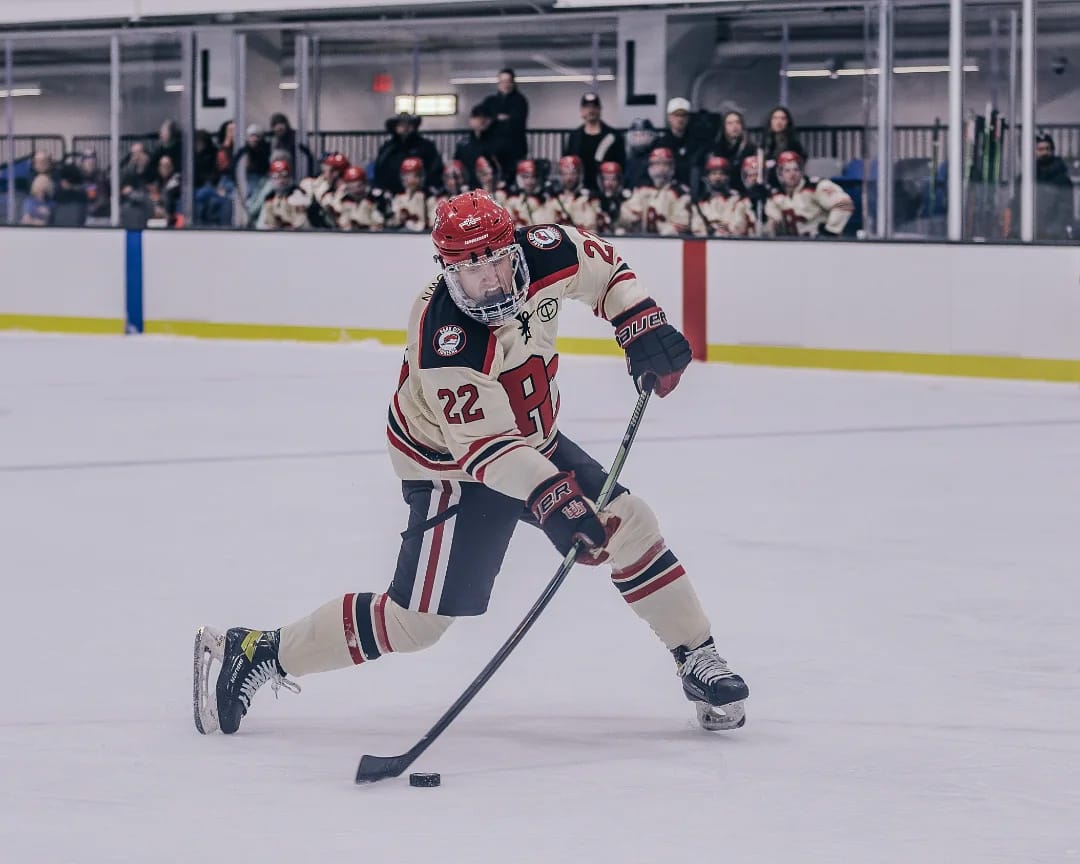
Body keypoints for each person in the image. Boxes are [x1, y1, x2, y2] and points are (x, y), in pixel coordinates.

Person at [194, 189, 750, 738]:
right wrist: (556, 500)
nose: (489, 281)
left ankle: (697, 656)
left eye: (497, 263)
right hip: (449, 469)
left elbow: (606, 272)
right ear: (446, 271)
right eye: (469, 271)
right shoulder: (445, 338)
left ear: (515, 246)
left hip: (531, 441)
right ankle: (258, 650)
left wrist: (639, 322)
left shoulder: (547, 249)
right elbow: (488, 453)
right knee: (414, 624)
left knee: (632, 523)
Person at [763, 150, 853, 238]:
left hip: (820, 245)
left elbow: (845, 203)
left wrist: (830, 231)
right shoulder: (776, 196)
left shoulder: (817, 186)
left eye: (796, 169)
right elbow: (772, 222)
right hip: (793, 246)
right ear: (780, 174)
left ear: (802, 171)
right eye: (787, 170)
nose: (792, 174)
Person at [562, 92, 626, 195]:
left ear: (600, 109)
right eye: (587, 107)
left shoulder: (614, 136)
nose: (591, 110)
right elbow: (567, 163)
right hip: (578, 191)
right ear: (581, 111)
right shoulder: (574, 137)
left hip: (606, 191)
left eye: (594, 107)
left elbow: (621, 165)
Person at [625, 147, 692, 236]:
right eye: (656, 164)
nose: (661, 169)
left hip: (669, 241)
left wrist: (664, 231)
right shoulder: (641, 189)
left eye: (665, 164)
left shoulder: (680, 192)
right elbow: (629, 213)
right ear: (649, 167)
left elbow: (682, 222)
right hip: (642, 240)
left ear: (672, 167)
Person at [690, 156, 751, 237]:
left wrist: (717, 226)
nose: (718, 177)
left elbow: (737, 226)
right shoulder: (701, 203)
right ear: (707, 177)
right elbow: (697, 228)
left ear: (728, 177)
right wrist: (719, 226)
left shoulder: (738, 200)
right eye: (714, 173)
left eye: (722, 173)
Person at [481, 68, 529, 168]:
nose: (505, 84)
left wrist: (495, 120)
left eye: (508, 81)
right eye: (502, 81)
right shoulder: (491, 101)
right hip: (494, 150)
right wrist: (498, 119)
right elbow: (483, 121)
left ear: (513, 82)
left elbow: (516, 123)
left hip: (515, 149)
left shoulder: (520, 100)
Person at [709, 111, 757, 194]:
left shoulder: (751, 148)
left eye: (737, 122)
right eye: (730, 123)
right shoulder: (716, 148)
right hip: (722, 192)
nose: (734, 126)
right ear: (724, 127)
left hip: (745, 192)